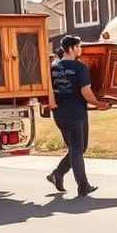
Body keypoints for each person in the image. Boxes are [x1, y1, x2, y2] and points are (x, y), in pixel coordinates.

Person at [47, 35, 107, 197]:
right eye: (79, 47)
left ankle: (57, 174)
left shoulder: (53, 67)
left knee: (77, 148)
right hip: (76, 113)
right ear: (72, 48)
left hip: (59, 114)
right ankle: (83, 186)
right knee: (78, 149)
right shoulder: (80, 68)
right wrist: (99, 104)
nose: (81, 50)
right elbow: (86, 92)